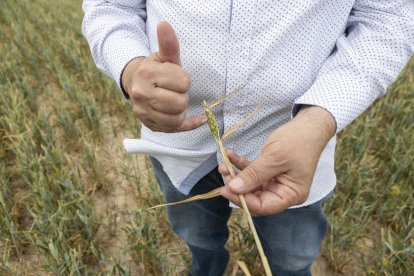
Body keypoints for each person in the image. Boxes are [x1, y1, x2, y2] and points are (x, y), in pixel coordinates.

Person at [82, 1, 414, 275]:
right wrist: (130, 67)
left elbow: (389, 19)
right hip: (178, 144)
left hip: (298, 149)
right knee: (196, 236)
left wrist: (319, 119)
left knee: (292, 258)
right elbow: (110, 6)